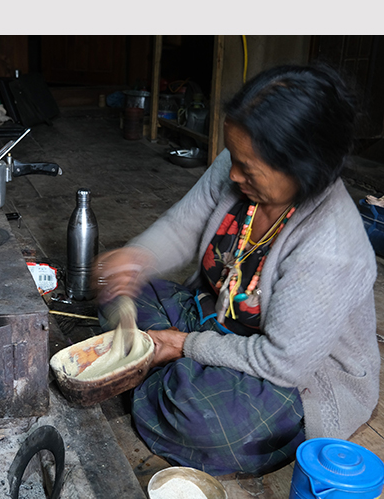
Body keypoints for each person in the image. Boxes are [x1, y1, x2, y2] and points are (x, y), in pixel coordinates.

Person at [95, 63, 380, 477]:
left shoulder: (331, 248)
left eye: (249, 168)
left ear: (303, 168)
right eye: (235, 157)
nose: (232, 173)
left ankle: (154, 371)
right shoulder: (240, 164)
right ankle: (166, 375)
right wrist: (135, 259)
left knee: (208, 426)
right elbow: (182, 226)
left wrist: (184, 345)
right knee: (123, 297)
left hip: (294, 375)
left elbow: (283, 363)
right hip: (217, 317)